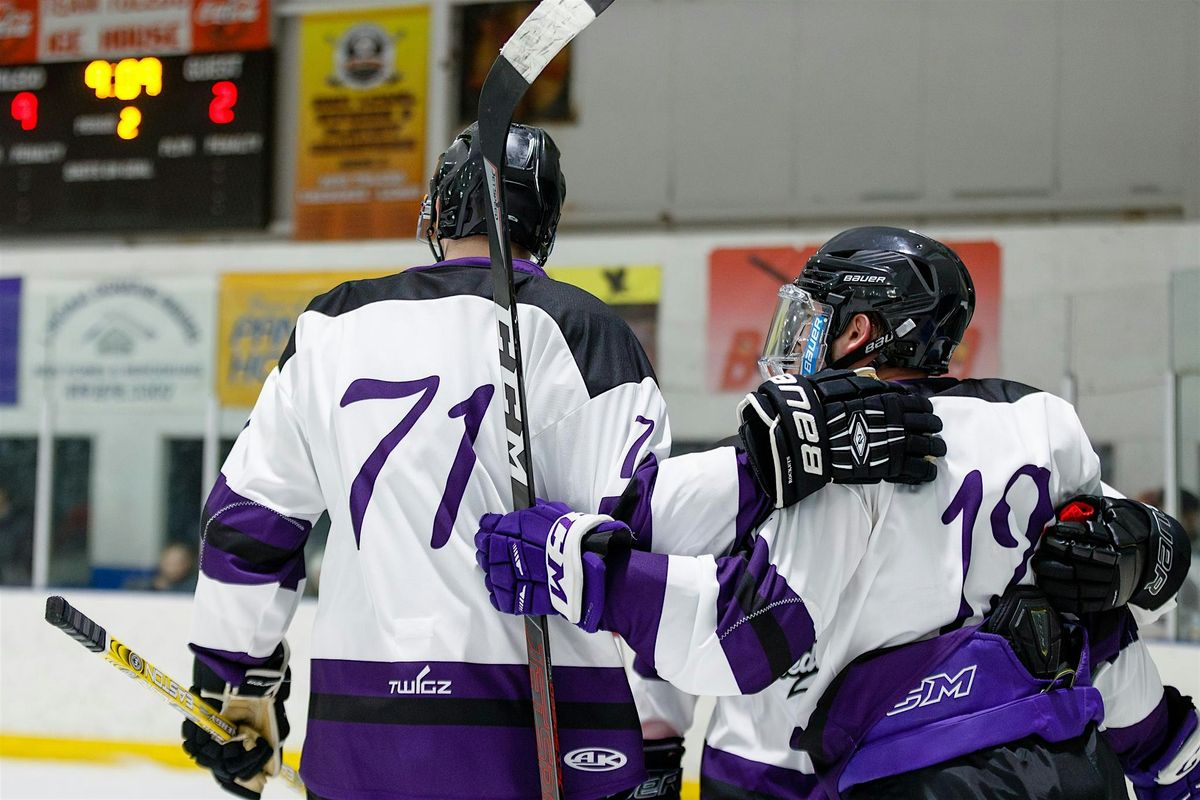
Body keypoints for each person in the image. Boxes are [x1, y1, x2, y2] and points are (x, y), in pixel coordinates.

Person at [476, 226, 1200, 799]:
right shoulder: (1040, 422)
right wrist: (1155, 555)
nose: (796, 336)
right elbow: (1109, 603)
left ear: (856, 332)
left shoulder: (832, 462)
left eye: (813, 317)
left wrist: (579, 572)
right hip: (1062, 762)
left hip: (827, 772)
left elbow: (735, 625)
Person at [181, 122, 673, 800]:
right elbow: (643, 551)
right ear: (545, 220)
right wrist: (659, 730)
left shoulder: (330, 327)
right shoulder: (591, 335)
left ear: (439, 209)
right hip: (546, 735)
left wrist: (232, 681)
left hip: (359, 734)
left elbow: (248, 524)